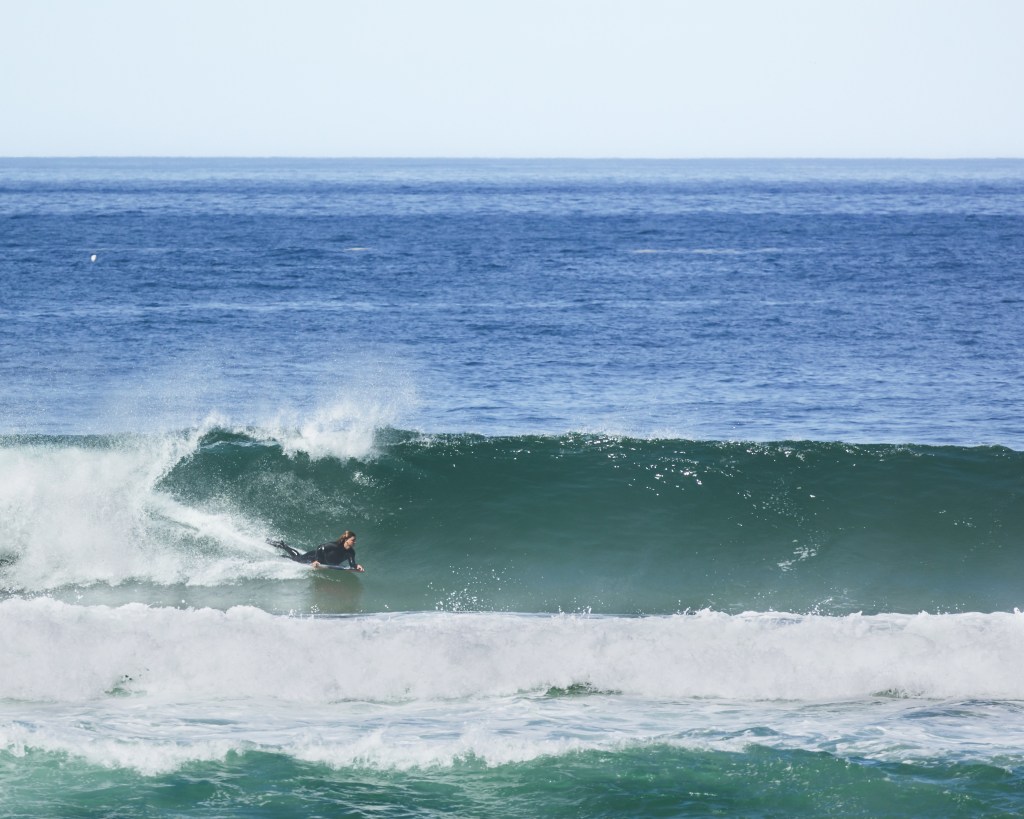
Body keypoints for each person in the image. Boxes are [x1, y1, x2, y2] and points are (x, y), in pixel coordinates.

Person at [270, 531, 363, 571]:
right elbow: (320, 547)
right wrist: (317, 560)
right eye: (353, 540)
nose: (354, 542)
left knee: (297, 557)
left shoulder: (351, 552)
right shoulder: (335, 545)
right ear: (346, 540)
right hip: (313, 556)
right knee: (296, 558)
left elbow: (352, 564)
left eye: (354, 540)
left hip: (322, 562)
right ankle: (283, 548)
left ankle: (283, 546)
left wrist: (356, 566)